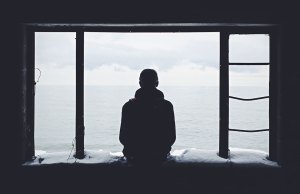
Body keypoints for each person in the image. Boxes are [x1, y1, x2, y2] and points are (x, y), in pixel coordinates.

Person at [119, 69, 176, 165]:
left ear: (140, 83)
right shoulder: (167, 106)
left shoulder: (128, 106)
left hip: (134, 157)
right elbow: (171, 137)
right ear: (157, 83)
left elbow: (123, 137)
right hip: (159, 157)